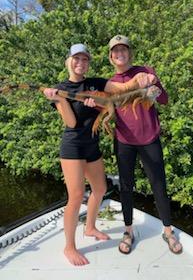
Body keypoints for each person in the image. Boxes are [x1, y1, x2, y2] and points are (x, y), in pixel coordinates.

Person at [43, 43, 156, 266]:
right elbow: (71, 122)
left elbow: (123, 89)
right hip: (73, 147)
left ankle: (90, 227)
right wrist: (59, 100)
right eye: (76, 59)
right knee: (76, 196)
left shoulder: (96, 83)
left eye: (85, 59)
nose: (80, 63)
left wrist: (142, 77)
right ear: (69, 61)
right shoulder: (60, 89)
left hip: (92, 145)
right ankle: (69, 247)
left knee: (100, 189)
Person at [107, 35, 183, 255]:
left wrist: (153, 84)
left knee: (158, 185)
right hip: (124, 142)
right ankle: (129, 231)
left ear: (130, 53)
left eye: (124, 49)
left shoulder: (145, 71)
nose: (120, 53)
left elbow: (164, 100)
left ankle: (168, 230)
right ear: (111, 57)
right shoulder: (111, 83)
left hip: (149, 138)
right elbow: (106, 108)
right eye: (115, 51)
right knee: (126, 187)